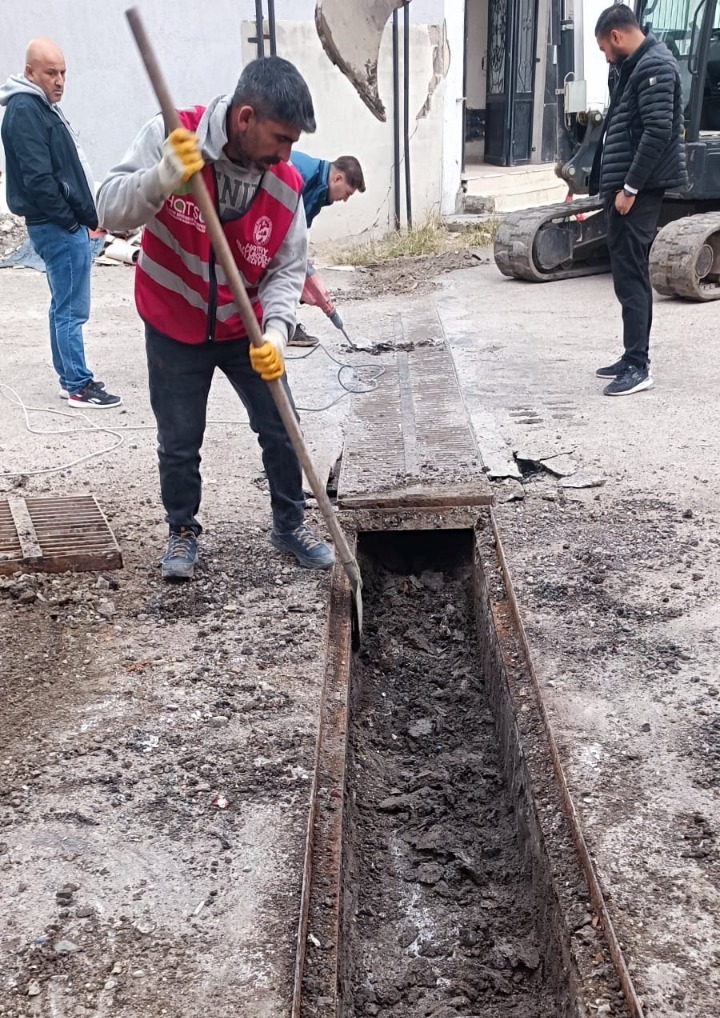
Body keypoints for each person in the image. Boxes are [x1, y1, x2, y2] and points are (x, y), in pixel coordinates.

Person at [96, 57, 335, 581]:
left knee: (282, 426)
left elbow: (287, 270)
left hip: (243, 328)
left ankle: (289, 525)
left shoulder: (285, 184)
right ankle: (181, 531)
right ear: (245, 118)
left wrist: (275, 332)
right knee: (180, 440)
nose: (286, 153)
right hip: (173, 324)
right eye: (280, 137)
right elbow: (108, 210)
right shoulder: (170, 134)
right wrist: (161, 178)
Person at [0, 38, 121, 407]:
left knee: (62, 305)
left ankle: (70, 378)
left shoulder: (39, 107)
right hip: (55, 226)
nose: (60, 80)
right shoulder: (25, 110)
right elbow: (39, 179)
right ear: (30, 72)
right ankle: (78, 385)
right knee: (71, 309)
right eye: (51, 72)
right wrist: (72, 223)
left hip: (59, 224)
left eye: (63, 72)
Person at [590, 5, 686, 397]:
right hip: (626, 185)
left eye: (603, 49)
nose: (605, 57)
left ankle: (638, 365)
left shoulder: (655, 68)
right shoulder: (634, 68)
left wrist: (629, 188)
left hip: (640, 188)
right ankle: (631, 355)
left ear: (616, 36)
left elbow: (658, 130)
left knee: (632, 274)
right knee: (625, 270)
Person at [289, 151, 365, 346]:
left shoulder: (319, 193)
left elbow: (300, 239)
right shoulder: (301, 175)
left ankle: (285, 325)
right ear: (338, 178)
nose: (345, 200)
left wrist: (303, 275)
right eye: (347, 193)